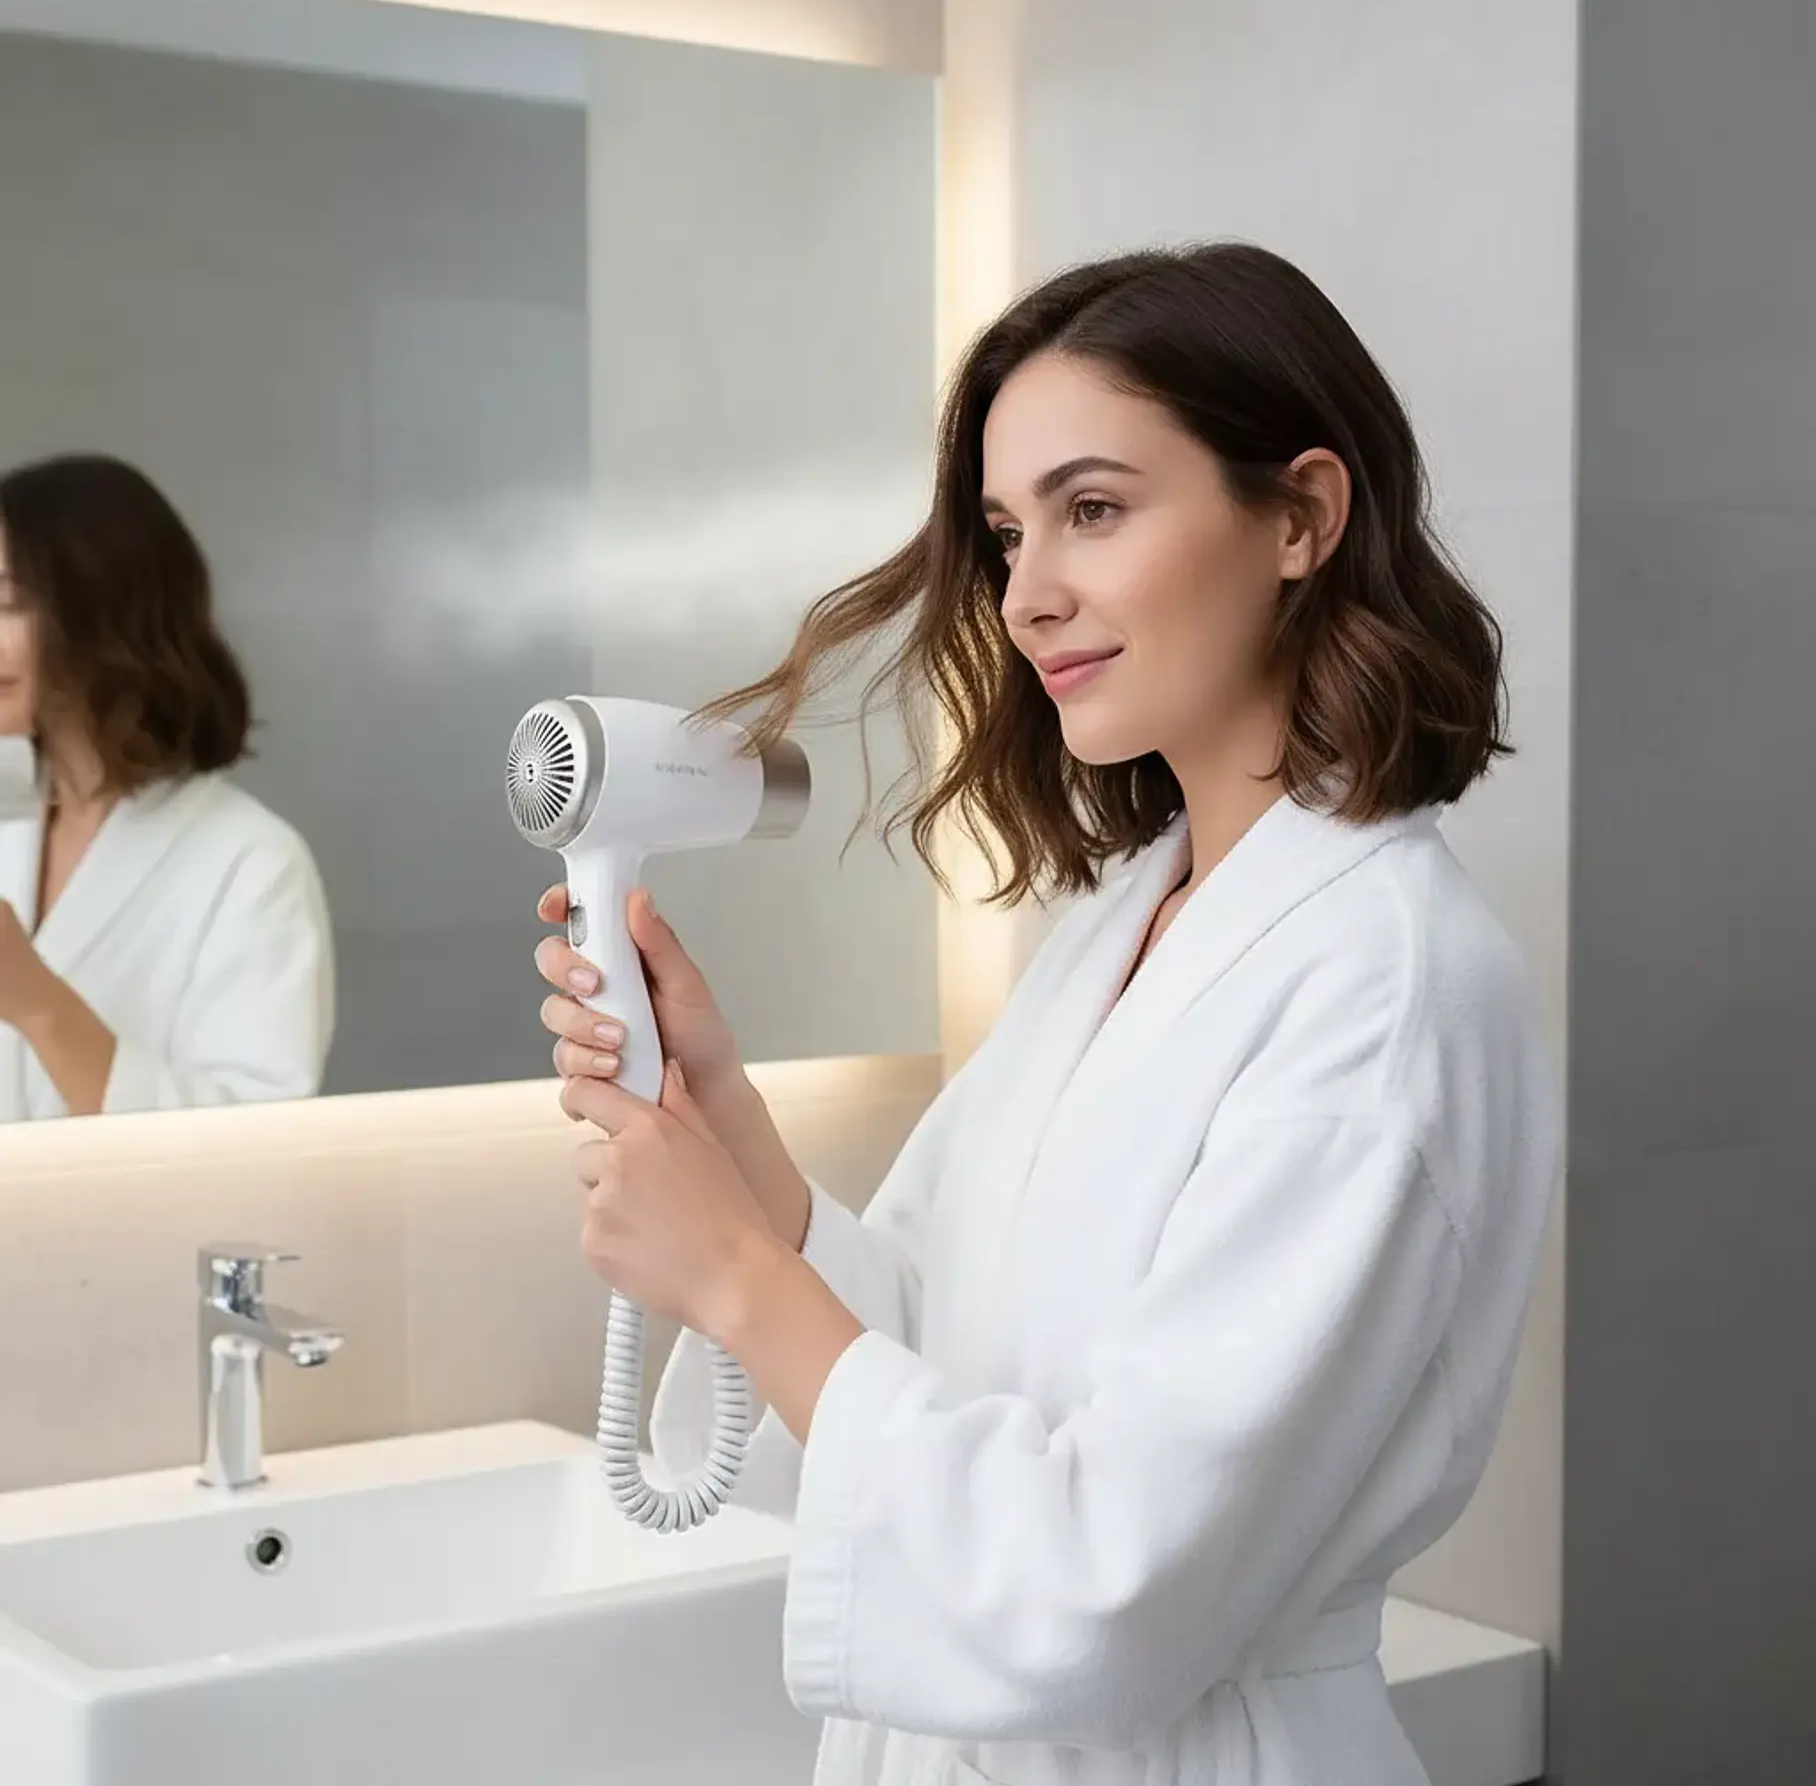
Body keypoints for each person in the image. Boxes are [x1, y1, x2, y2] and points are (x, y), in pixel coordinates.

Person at [533, 243, 1561, 1786]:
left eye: (1094, 509)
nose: (1026, 597)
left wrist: (742, 1280)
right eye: (1010, 534)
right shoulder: (1131, 918)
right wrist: (733, 1144)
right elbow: (952, 1360)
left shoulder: (1383, 983)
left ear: (1301, 517)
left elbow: (1112, 1584)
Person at [0, 453, 333, 1121]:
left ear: (102, 615)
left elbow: (253, 1145)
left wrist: (37, 1001)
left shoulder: (251, 864)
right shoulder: (11, 814)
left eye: (4, 602)